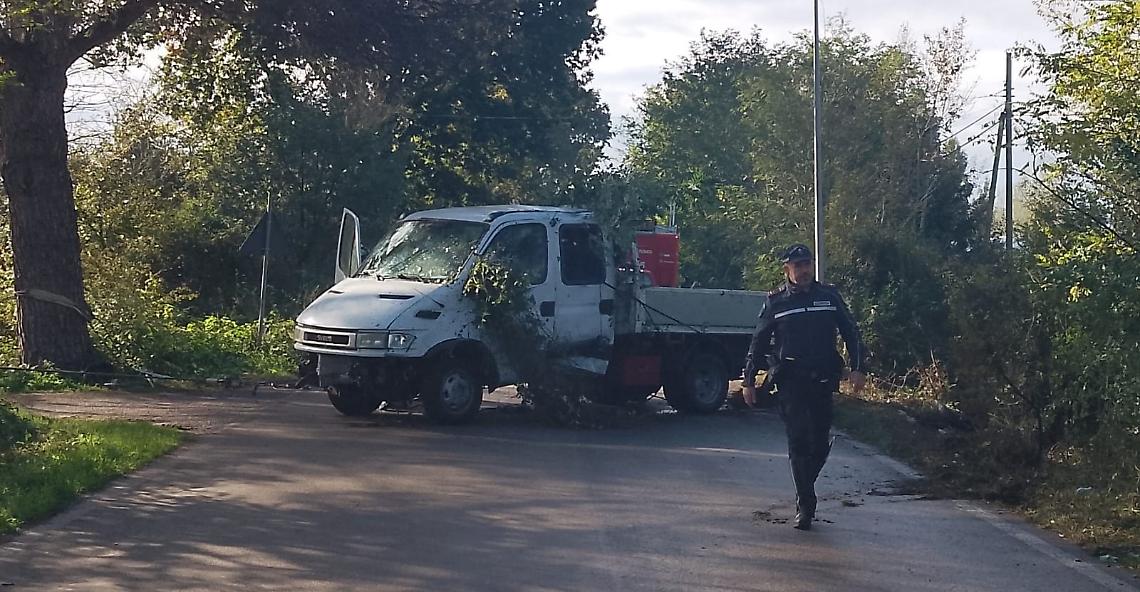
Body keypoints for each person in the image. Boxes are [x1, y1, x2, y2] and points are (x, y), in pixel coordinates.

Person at [742, 243, 866, 530]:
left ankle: (805, 485)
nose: (804, 270)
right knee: (798, 439)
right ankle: (806, 505)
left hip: (822, 378)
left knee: (819, 443)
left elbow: (851, 331)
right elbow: (758, 343)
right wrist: (748, 380)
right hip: (791, 381)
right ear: (787, 269)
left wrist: (859, 368)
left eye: (807, 264)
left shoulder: (829, 297)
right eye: (798, 266)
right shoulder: (776, 302)